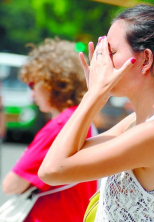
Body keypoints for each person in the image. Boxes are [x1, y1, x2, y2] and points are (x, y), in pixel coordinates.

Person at [39, 5, 154, 221]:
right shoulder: (136, 123)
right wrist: (97, 95)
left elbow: (52, 170)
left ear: (146, 60)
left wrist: (93, 95)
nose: (103, 62)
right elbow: (71, 153)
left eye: (111, 52)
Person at [2, 38, 98, 222]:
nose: (31, 93)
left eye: (32, 84)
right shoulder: (81, 118)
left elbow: (11, 184)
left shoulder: (61, 126)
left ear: (52, 83)